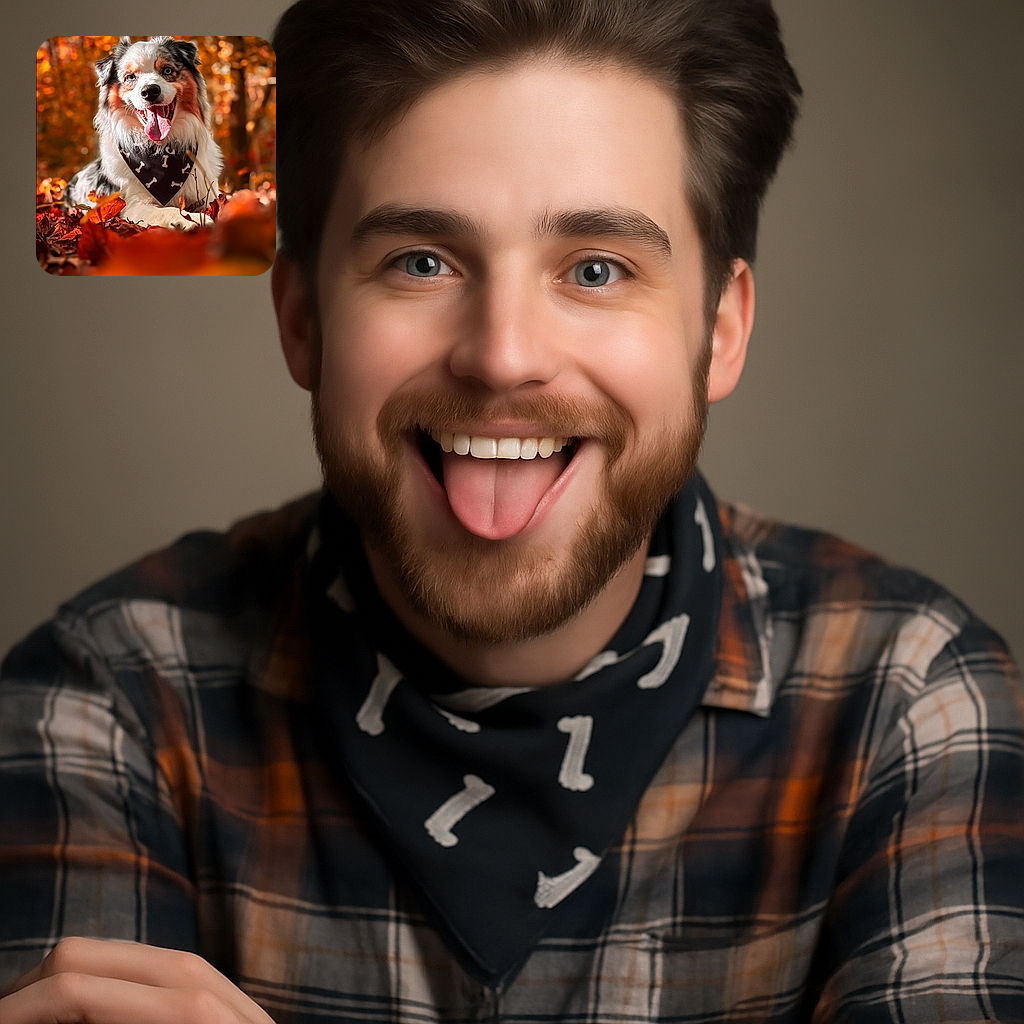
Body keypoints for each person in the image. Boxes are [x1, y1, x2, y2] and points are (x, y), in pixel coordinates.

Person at [2, 0, 1022, 1020]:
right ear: (302, 319)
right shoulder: (106, 700)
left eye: (594, 268)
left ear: (717, 332)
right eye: (420, 261)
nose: (501, 355)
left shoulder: (910, 699)